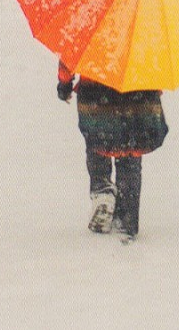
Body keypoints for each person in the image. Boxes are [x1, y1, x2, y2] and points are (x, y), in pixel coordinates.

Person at [57, 61, 168, 241]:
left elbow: (71, 53)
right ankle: (127, 218)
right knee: (131, 150)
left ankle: (102, 191)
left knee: (98, 143)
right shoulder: (146, 33)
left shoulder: (93, 31)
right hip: (137, 89)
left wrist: (64, 84)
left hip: (96, 89)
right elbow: (158, 60)